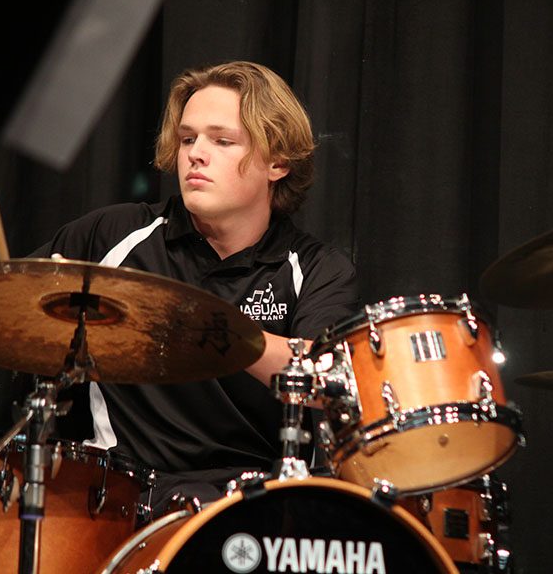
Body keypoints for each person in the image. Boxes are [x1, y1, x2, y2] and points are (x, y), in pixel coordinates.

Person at [32, 61, 359, 514]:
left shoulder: (317, 268)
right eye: (188, 139)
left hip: (255, 506)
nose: (195, 154)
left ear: (278, 162)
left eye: (222, 141)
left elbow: (325, 377)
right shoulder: (112, 236)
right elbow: (11, 307)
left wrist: (210, 328)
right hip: (120, 497)